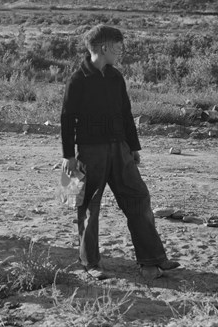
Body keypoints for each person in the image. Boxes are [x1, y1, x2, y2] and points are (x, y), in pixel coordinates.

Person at [60, 24, 179, 280]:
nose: (120, 52)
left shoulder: (115, 77)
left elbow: (125, 113)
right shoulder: (78, 79)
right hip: (91, 152)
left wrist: (133, 147)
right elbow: (67, 119)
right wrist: (68, 155)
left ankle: (152, 260)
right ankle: (90, 263)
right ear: (104, 48)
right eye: (118, 48)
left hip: (120, 150)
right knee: (89, 207)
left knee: (138, 197)